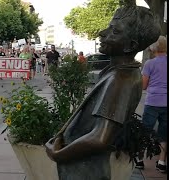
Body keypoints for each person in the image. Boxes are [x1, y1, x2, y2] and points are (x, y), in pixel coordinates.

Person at [45, 4, 161, 180]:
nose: (102, 33)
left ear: (130, 45)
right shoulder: (117, 72)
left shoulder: (120, 80)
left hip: (86, 172)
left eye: (114, 31)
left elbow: (100, 138)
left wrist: (57, 155)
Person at [134, 36, 167, 173]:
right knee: (164, 133)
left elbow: (144, 85)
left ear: (153, 48)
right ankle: (161, 162)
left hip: (152, 101)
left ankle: (140, 159)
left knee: (145, 130)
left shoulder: (149, 64)